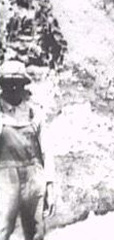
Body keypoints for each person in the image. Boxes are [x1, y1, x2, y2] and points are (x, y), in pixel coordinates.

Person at [0, 60, 55, 240]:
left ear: (25, 84)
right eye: (9, 82)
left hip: (34, 177)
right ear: (2, 84)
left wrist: (50, 185)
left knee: (37, 232)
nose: (14, 87)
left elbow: (47, 151)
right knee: (3, 228)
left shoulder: (34, 112)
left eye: (18, 82)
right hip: (6, 180)